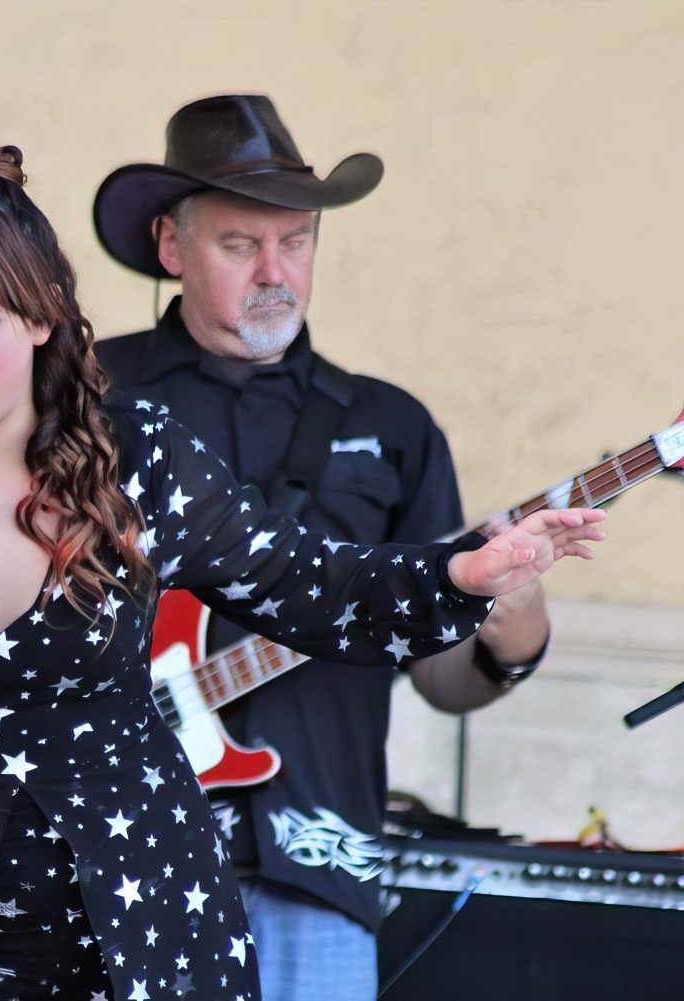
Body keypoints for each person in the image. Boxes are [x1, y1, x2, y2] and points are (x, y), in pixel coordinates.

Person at [0, 144, 602, 1001]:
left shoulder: (137, 457)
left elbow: (315, 584)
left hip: (150, 932)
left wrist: (464, 574)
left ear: (41, 319)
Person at [93, 94, 556, 1000]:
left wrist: (514, 627)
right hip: (113, 857)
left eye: (296, 241)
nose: (277, 271)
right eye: (240, 243)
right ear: (171, 246)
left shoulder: (391, 427)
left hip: (317, 860)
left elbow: (441, 674)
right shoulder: (86, 398)